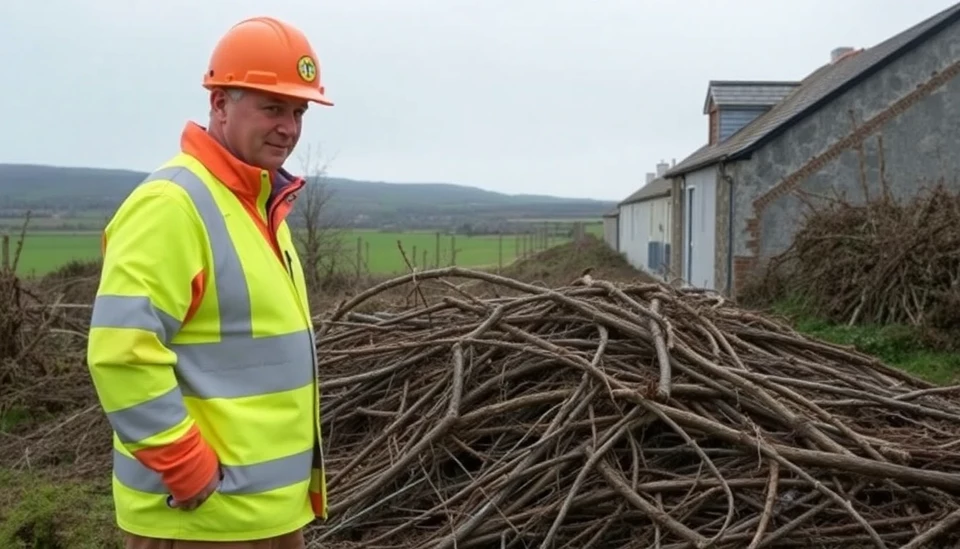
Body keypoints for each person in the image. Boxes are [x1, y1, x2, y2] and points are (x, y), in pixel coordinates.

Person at [86, 15, 333, 549]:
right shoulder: (172, 205)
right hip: (200, 519)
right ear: (219, 103)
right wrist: (186, 468)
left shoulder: (259, 206)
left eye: (298, 111)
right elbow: (121, 352)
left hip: (263, 515)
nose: (288, 127)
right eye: (272, 107)